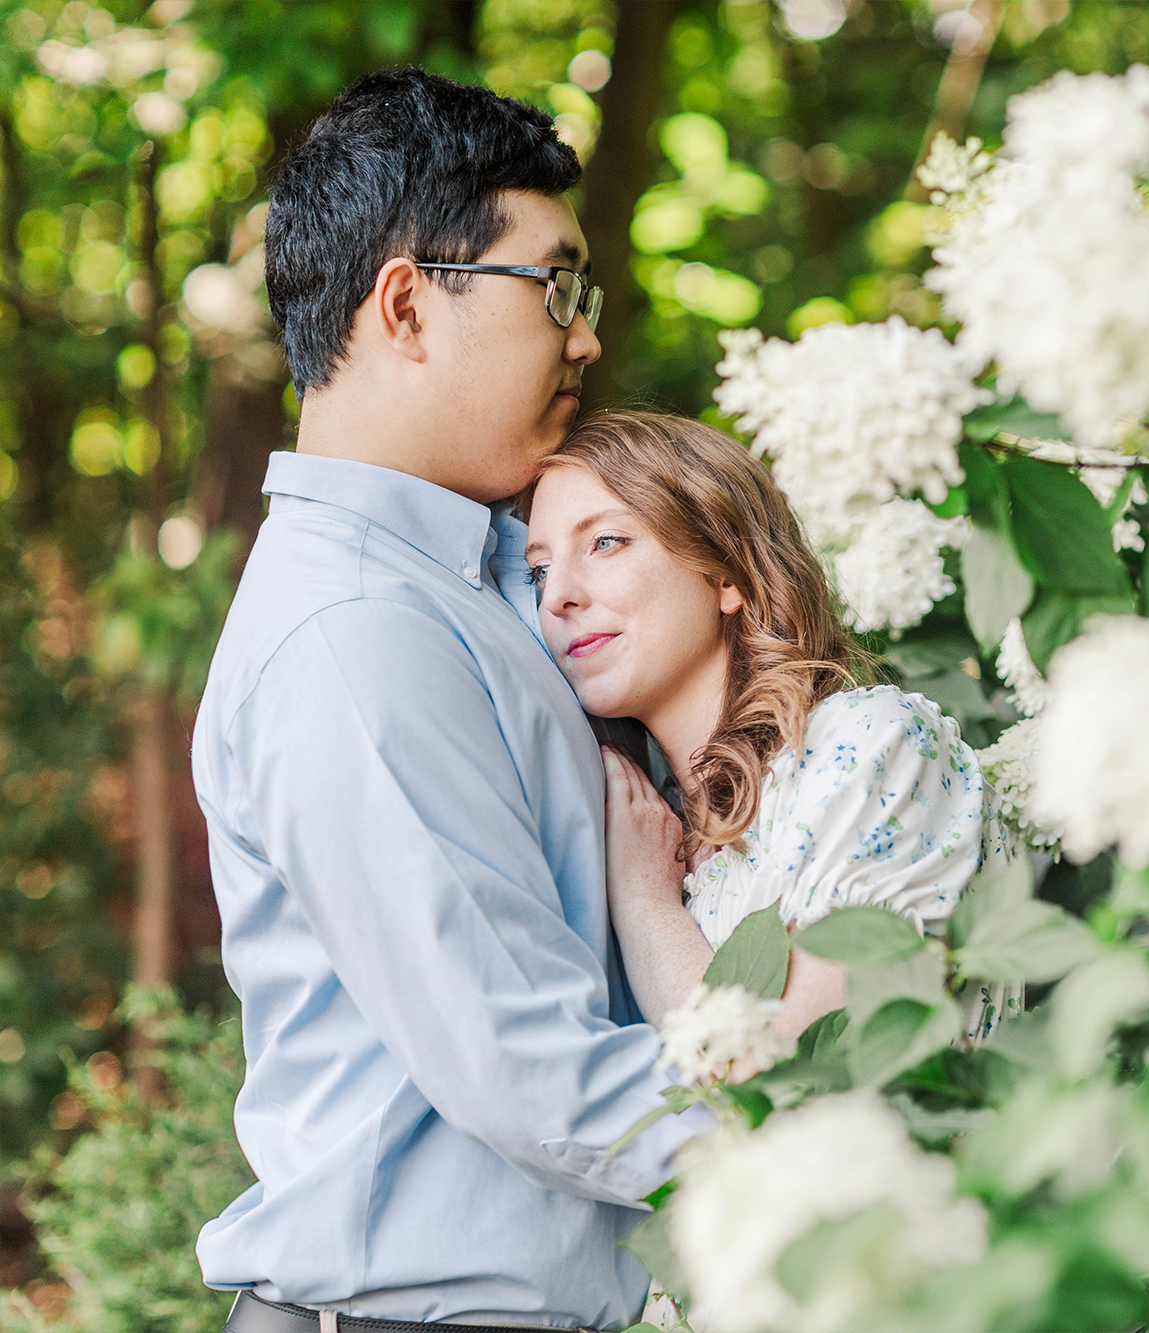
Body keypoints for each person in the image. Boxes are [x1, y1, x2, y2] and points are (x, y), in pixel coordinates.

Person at [190, 71, 704, 1330]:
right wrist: (848, 1140)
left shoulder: (480, 583)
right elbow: (534, 1076)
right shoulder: (355, 633)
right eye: (555, 288)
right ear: (409, 305)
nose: (584, 334)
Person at [518, 412, 987, 1037]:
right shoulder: (662, 834)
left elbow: (786, 1071)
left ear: (727, 572)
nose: (556, 598)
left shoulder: (873, 744)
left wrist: (642, 903)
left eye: (606, 542)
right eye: (538, 570)